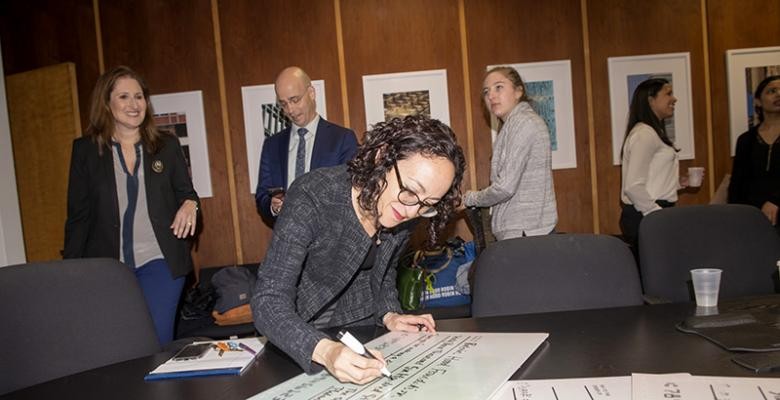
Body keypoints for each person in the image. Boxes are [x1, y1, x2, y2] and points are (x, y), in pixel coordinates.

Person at [251, 115, 466, 384]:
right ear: (381, 156)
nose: (412, 210)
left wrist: (390, 315)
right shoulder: (313, 195)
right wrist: (326, 350)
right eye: (411, 191)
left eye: (427, 203)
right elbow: (268, 301)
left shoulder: (407, 206)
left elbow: (384, 272)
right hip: (300, 334)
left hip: (359, 331)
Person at [63, 65, 199, 346]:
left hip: (160, 261)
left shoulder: (166, 146)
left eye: (139, 97)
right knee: (119, 345)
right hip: (106, 267)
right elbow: (78, 217)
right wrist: (70, 274)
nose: (134, 104)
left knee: (156, 342)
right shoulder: (85, 151)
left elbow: (188, 194)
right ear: (107, 102)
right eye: (124, 97)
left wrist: (190, 205)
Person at [463, 66, 557, 239]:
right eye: (486, 91)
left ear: (518, 91)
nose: (491, 96)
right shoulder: (512, 125)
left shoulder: (523, 123)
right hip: (525, 229)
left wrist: (469, 199)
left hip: (526, 231)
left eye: (499, 87)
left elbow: (505, 187)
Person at [255, 66, 358, 224]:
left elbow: (352, 192)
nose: (290, 109)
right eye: (283, 104)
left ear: (311, 93)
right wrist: (273, 206)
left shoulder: (342, 139)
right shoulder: (272, 146)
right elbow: (262, 195)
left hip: (331, 243)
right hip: (288, 242)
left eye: (295, 100)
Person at [620, 77, 688, 252]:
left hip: (651, 211)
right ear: (651, 100)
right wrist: (656, 214)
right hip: (646, 214)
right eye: (668, 94)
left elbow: (651, 181)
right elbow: (633, 186)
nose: (674, 99)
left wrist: (678, 183)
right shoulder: (644, 134)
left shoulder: (652, 132)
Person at [729, 75, 780, 235]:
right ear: (758, 101)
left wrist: (776, 201)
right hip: (753, 218)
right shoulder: (746, 140)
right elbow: (737, 184)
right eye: (772, 91)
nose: (779, 94)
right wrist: (738, 215)